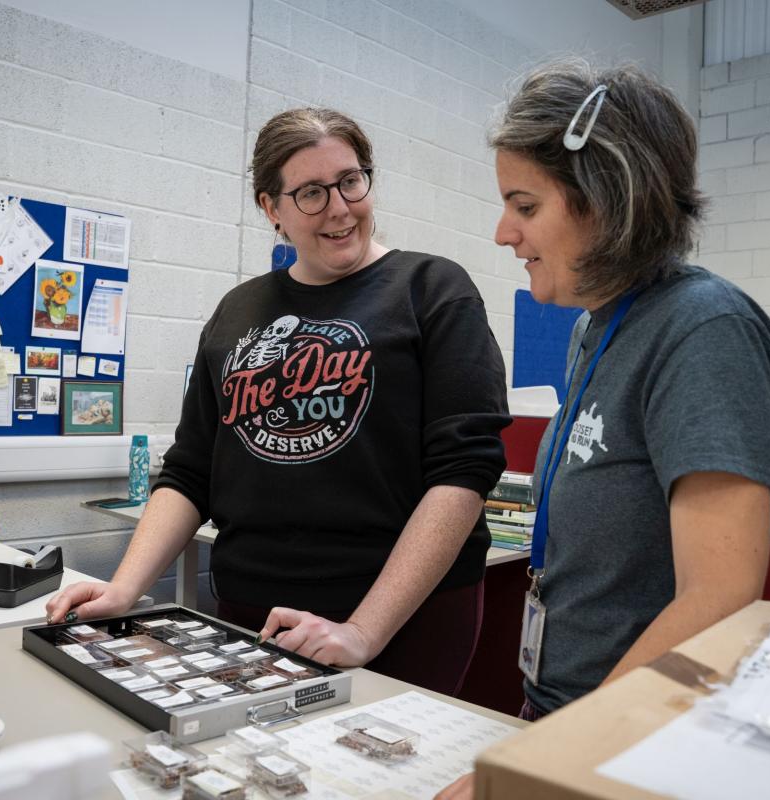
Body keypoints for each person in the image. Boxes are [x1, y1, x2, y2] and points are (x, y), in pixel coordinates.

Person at [47, 107, 511, 695]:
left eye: (350, 180)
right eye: (311, 193)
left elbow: (464, 474)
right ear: (272, 208)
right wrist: (123, 588)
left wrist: (363, 630)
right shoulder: (237, 312)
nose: (340, 207)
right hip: (250, 606)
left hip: (400, 616)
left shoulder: (433, 290)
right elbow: (191, 471)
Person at [436, 59, 770, 798]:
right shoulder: (596, 327)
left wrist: (551, 759)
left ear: (607, 200)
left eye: (525, 206)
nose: (504, 232)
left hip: (639, 739)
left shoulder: (704, 329)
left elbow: (719, 595)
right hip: (573, 717)